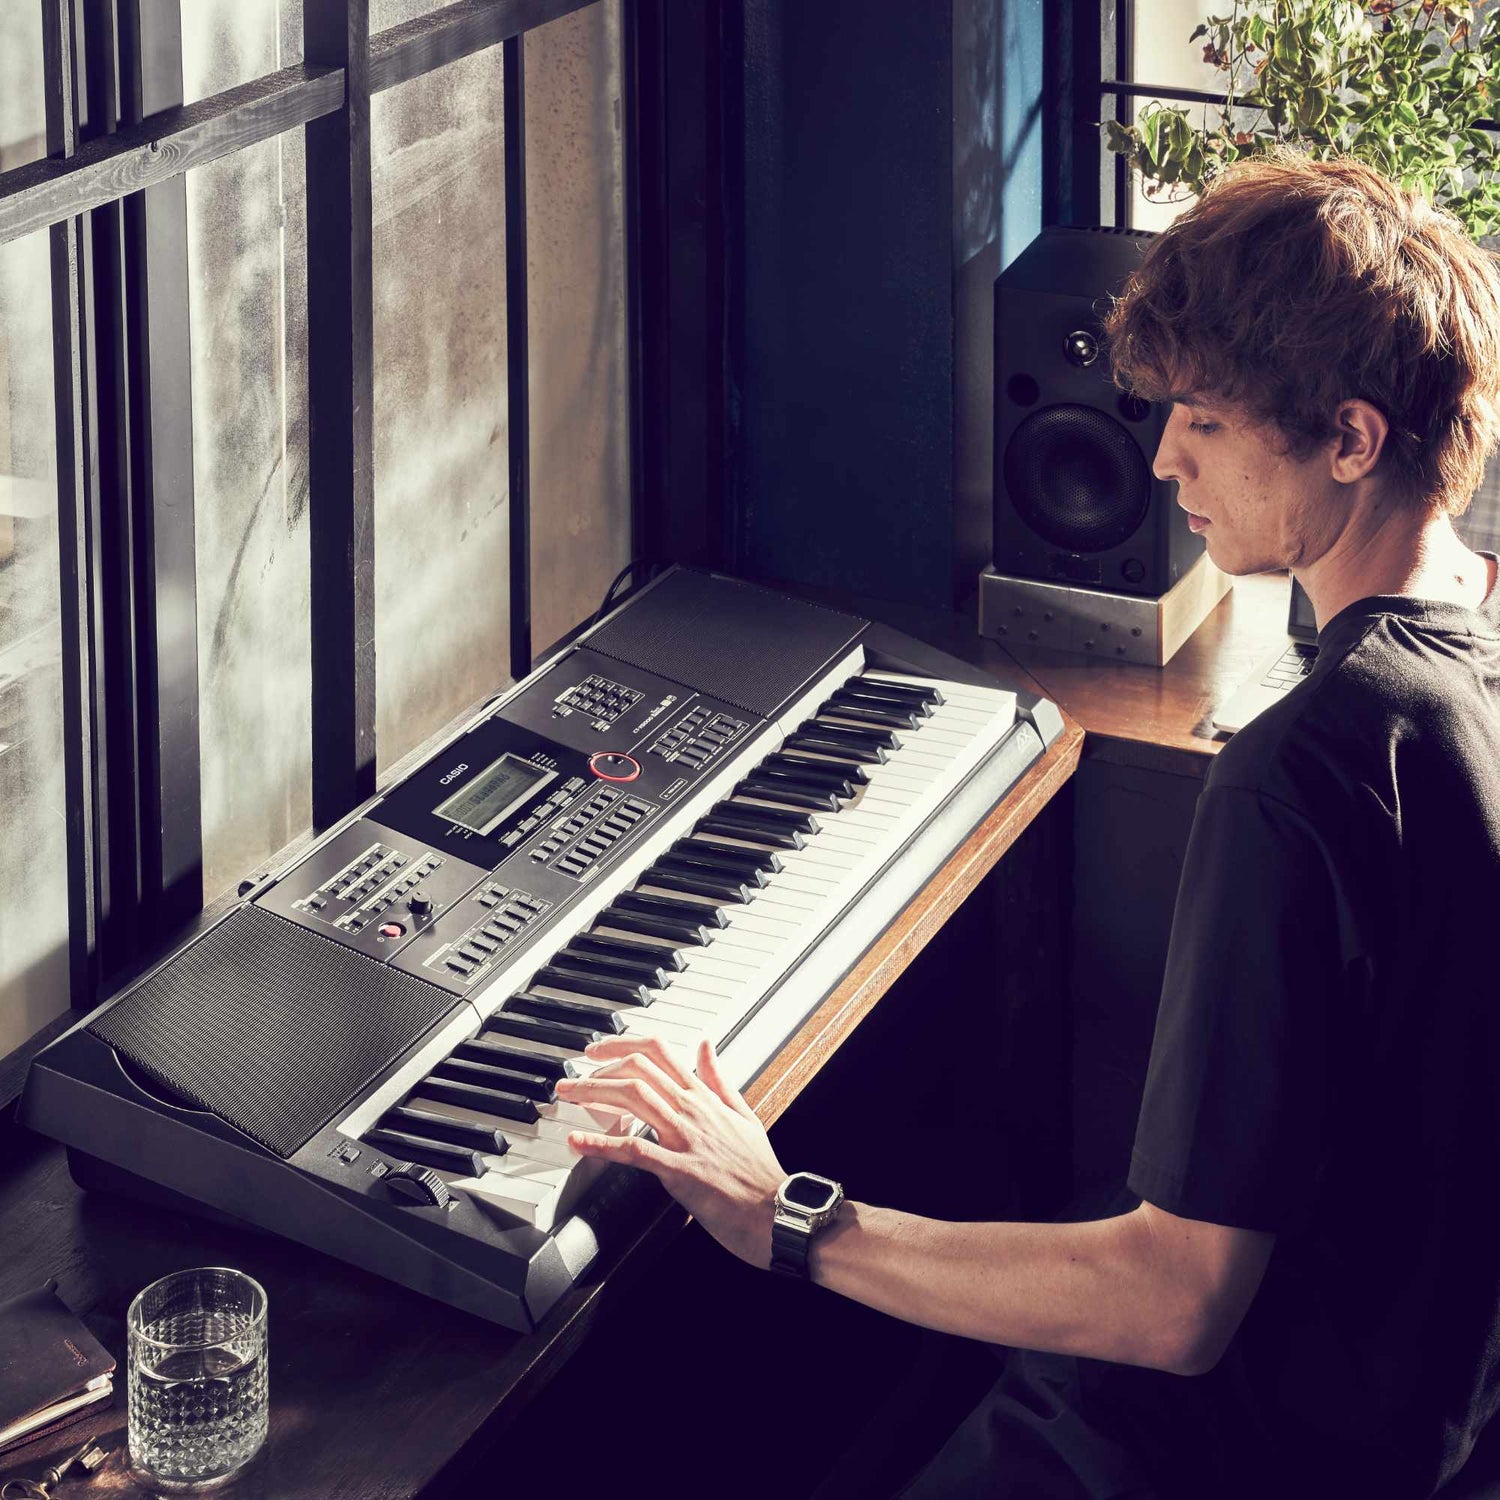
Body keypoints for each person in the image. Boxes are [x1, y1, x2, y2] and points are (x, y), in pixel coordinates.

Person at [558, 151, 1500, 1499]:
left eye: (1206, 422)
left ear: (1351, 441)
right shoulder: (1468, 658)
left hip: (1227, 1452)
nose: (1161, 455)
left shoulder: (1305, 771)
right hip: (1424, 1417)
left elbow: (1176, 1302)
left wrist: (787, 1218)